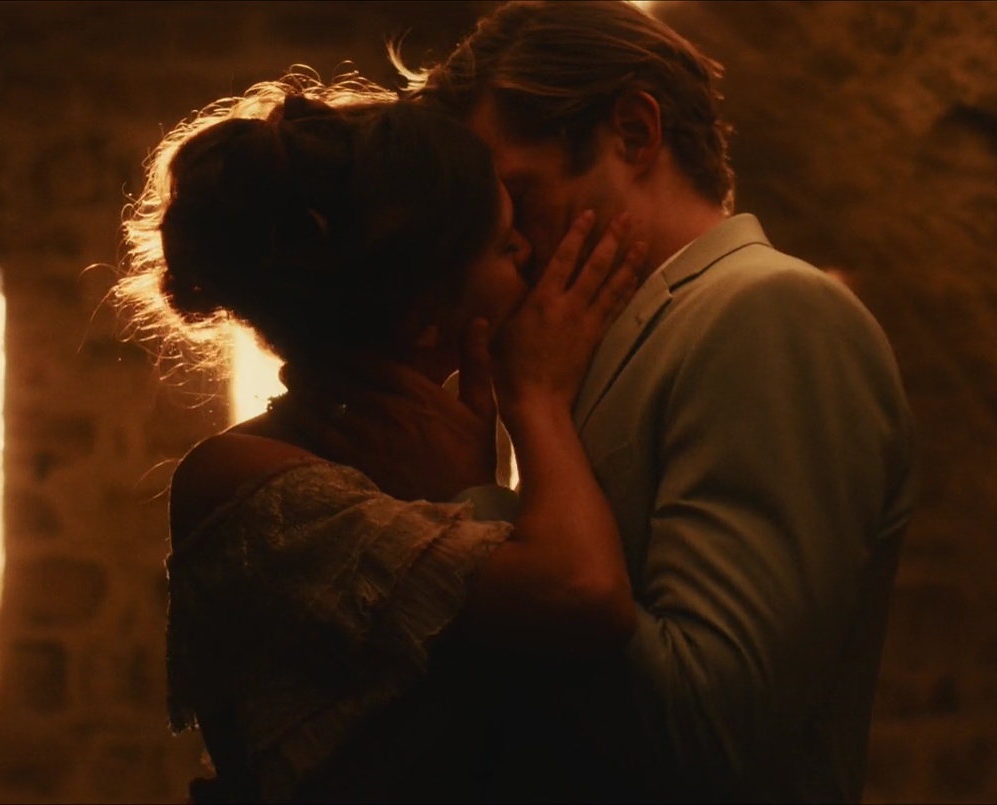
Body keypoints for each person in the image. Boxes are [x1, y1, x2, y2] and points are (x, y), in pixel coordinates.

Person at [361, 1, 921, 801]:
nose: (507, 242)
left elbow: (707, 728)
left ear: (633, 132)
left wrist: (473, 502)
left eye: (518, 195)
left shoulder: (769, 312)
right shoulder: (586, 348)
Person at [117, 75, 656, 803]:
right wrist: (537, 399)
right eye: (505, 245)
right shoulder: (242, 477)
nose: (531, 251)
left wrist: (466, 485)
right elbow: (583, 597)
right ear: (425, 316)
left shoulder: (427, 444)